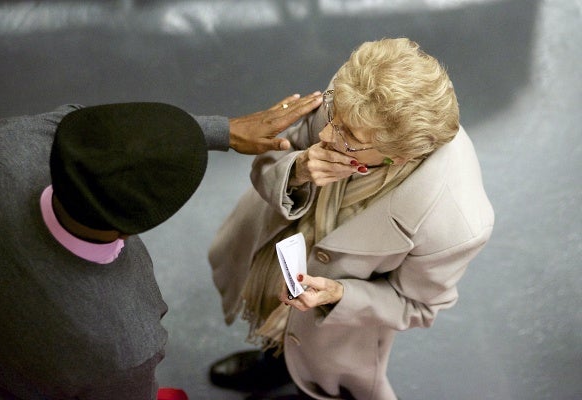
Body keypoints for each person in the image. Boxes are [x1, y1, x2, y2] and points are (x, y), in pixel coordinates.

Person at [0, 92, 322, 400]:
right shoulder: (122, 344)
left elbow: (90, 128)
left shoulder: (1, 148)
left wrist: (225, 131)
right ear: (137, 223)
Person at [208, 38, 494, 400]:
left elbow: (418, 306)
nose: (326, 134)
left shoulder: (457, 224)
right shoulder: (354, 98)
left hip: (337, 325)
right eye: (333, 117)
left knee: (317, 373)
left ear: (398, 155)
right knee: (278, 325)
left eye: (349, 136)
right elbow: (276, 156)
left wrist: (340, 295)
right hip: (274, 252)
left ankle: (300, 378)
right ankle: (274, 359)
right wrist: (296, 170)